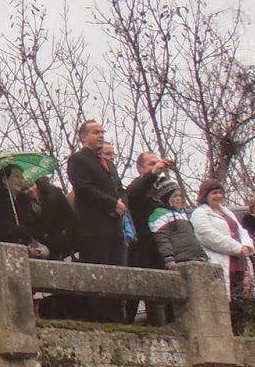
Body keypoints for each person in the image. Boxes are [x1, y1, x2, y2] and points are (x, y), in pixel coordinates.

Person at [67, 120, 127, 320]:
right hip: (94, 228)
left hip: (115, 227)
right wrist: (112, 204)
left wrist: (122, 202)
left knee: (118, 274)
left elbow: (119, 188)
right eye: (95, 132)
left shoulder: (108, 163)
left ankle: (118, 319)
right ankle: (99, 319)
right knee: (98, 274)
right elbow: (84, 188)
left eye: (102, 132)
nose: (101, 135)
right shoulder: (78, 160)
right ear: (84, 137)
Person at [125, 152, 175, 325]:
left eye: (157, 163)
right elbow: (135, 194)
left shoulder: (162, 191)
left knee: (167, 296)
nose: (156, 167)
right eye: (151, 164)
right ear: (140, 168)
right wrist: (154, 172)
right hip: (143, 250)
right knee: (146, 295)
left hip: (164, 248)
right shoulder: (135, 188)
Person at [189, 179, 255, 300]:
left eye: (220, 192)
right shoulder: (200, 214)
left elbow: (242, 231)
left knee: (244, 301)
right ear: (205, 195)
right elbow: (208, 236)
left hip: (240, 263)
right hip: (221, 263)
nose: (218, 196)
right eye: (214, 193)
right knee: (227, 303)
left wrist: (247, 246)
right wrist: (238, 248)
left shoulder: (227, 212)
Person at [0, 165, 44, 254]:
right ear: (5, 179)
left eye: (22, 177)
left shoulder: (24, 201)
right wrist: (15, 230)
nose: (20, 180)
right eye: (16, 176)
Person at [149, 183, 208, 270]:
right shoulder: (159, 214)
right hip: (178, 261)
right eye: (175, 196)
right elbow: (162, 239)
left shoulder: (183, 214)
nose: (179, 199)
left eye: (180, 196)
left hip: (194, 259)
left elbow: (193, 238)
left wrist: (203, 256)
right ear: (167, 197)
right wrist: (169, 258)